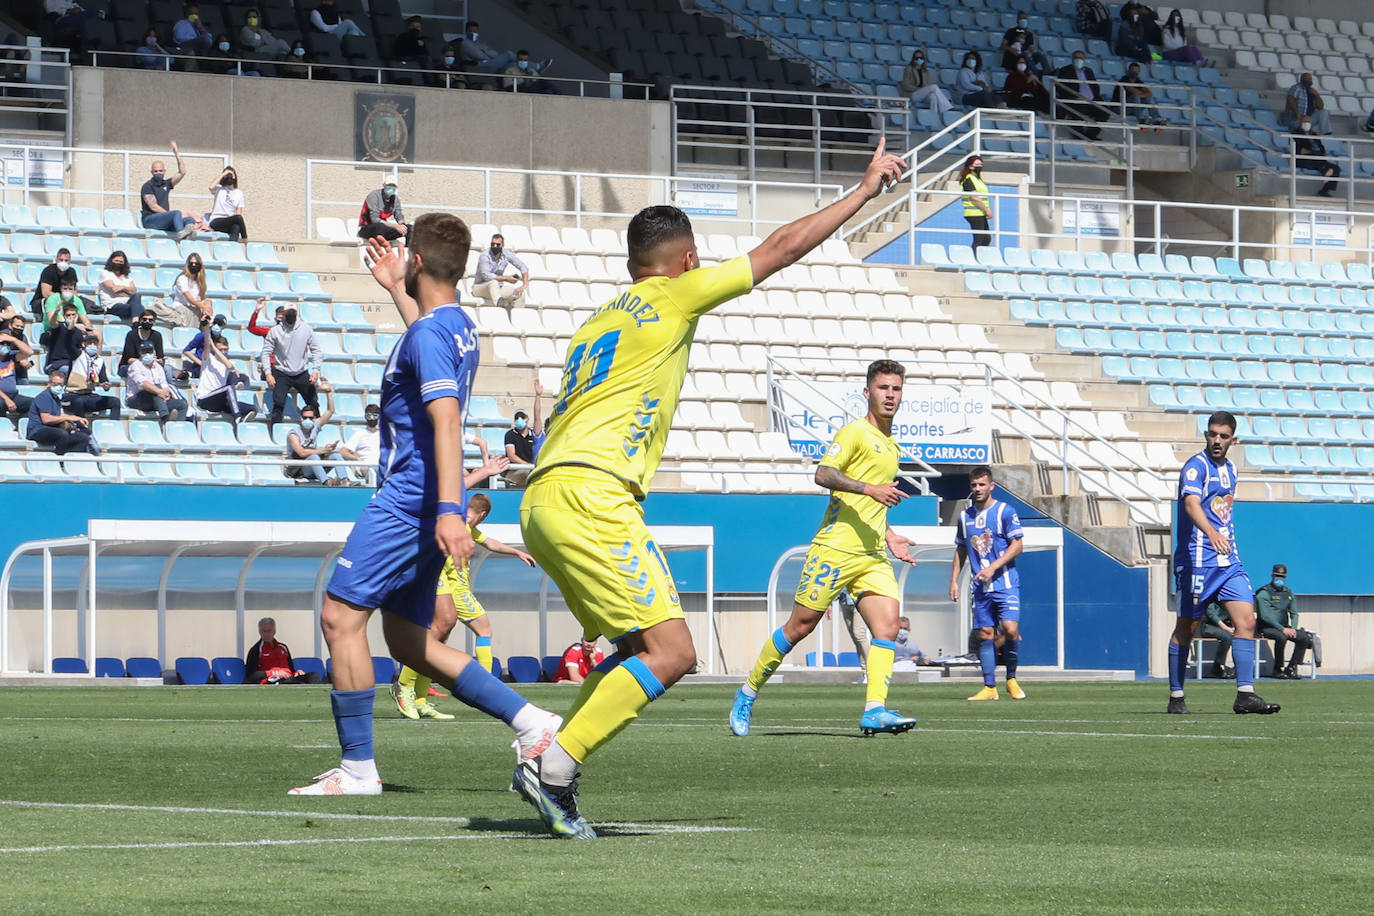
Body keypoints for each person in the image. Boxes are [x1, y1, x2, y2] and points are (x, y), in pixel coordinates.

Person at [514, 140, 905, 837]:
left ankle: (552, 757)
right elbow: (781, 246)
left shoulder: (596, 322)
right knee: (676, 653)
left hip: (543, 496)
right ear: (685, 261)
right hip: (593, 494)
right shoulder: (674, 293)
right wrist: (865, 189)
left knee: (640, 650)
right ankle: (556, 765)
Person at [288, 214, 562, 797]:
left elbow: (445, 420)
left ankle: (359, 769)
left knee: (340, 618)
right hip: (424, 497)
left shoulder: (432, 333)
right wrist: (394, 291)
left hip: (410, 498)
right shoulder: (453, 324)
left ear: (416, 260)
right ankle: (532, 721)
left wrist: (445, 509)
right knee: (411, 643)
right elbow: (424, 359)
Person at [731, 358, 920, 736]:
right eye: (883, 388)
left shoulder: (890, 444)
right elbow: (823, 473)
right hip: (833, 550)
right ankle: (747, 692)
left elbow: (871, 506)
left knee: (886, 626)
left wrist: (889, 534)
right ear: (868, 392)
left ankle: (874, 709)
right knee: (799, 627)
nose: (890, 395)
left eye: (896, 389)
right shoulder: (854, 433)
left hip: (870, 555)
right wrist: (869, 488)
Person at [1167, 410, 1279, 716]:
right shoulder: (1195, 467)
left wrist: (1224, 537)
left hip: (1228, 561)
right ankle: (1176, 694)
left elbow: (1222, 509)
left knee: (1248, 622)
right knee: (1186, 629)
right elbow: (1191, 504)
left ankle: (1245, 695)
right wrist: (1212, 531)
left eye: (1223, 436)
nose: (1217, 440)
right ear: (1206, 435)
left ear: (1233, 439)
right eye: (1212, 434)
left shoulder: (1231, 468)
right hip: (1197, 561)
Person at [393, 491, 537, 717]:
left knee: (437, 640)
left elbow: (489, 542)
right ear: (483, 514)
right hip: (446, 586)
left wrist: (515, 552)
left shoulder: (463, 524)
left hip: (451, 587)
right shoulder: (457, 522)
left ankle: (419, 697)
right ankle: (407, 685)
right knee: (469, 632)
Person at [950, 466, 1026, 701]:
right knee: (985, 634)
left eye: (982, 485)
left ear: (991, 486)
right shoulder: (965, 517)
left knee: (1011, 629)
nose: (978, 489)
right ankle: (990, 687)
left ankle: (1011, 679)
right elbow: (961, 549)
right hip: (980, 588)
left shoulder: (1005, 511)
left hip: (1005, 583)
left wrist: (993, 567)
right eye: (974, 485)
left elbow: (1018, 545)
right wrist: (953, 580)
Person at [261, 303, 322, 429]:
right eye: (287, 314)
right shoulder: (275, 331)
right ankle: (276, 430)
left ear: (296, 314)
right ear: (283, 315)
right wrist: (268, 373)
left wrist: (316, 371)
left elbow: (316, 350)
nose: (290, 317)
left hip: (301, 372)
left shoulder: (306, 329)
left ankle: (318, 428)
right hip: (282, 372)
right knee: (278, 403)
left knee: (313, 402)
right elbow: (266, 353)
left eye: (292, 314)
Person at [1254, 563, 1314, 680]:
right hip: (1267, 627)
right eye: (1277, 576)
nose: (1279, 579)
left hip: (1285, 627)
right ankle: (1278, 669)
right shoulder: (1264, 593)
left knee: (1304, 637)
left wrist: (1293, 628)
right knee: (1281, 637)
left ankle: (1291, 668)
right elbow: (1265, 616)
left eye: (1282, 576)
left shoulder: (1288, 593)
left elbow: (1294, 613)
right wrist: (1283, 629)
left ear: (1285, 577)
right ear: (1272, 575)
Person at [140, 143, 207, 240]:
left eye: (160, 171)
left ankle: (187, 233)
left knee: (190, 219)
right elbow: (153, 206)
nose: (158, 173)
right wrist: (169, 215)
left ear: (164, 171)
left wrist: (177, 154)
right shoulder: (147, 186)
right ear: (151, 172)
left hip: (164, 219)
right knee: (176, 213)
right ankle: (181, 234)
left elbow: (182, 172)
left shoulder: (166, 184)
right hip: (150, 220)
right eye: (156, 171)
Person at [284, 387, 347, 485]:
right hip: (299, 469)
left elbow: (330, 411)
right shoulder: (293, 434)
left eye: (310, 418)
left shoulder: (316, 426)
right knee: (313, 456)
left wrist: (329, 393)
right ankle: (327, 482)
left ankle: (345, 481)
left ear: (314, 418)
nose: (307, 420)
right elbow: (301, 453)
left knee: (336, 455)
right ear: (300, 418)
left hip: (315, 465)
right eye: (305, 418)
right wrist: (323, 450)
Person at [195, 324, 256, 422]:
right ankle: (237, 417)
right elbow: (207, 344)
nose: (223, 352)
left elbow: (230, 366)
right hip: (205, 399)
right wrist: (207, 330)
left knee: (253, 408)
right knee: (229, 388)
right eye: (220, 350)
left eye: (225, 350)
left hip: (219, 402)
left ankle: (241, 421)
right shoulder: (208, 359)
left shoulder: (226, 363)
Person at [27, 368, 96, 455]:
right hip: (38, 430)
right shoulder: (44, 397)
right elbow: (46, 419)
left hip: (52, 430)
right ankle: (60, 461)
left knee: (83, 437)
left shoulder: (56, 398)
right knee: (62, 434)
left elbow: (58, 415)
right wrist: (68, 417)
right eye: (55, 384)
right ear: (49, 384)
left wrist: (76, 419)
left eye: (61, 384)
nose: (58, 387)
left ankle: (73, 462)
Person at [125, 340, 188, 423]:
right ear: (140, 353)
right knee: (153, 389)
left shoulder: (158, 367)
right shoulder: (135, 366)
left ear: (154, 352)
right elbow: (144, 384)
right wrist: (159, 392)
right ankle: (165, 417)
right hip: (136, 399)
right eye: (144, 351)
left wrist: (164, 394)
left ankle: (179, 428)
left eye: (150, 351)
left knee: (182, 404)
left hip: (157, 400)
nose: (147, 354)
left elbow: (165, 385)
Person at [244, 617, 321, 684]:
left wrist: (296, 672)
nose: (267, 634)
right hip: (272, 680)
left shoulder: (283, 647)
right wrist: (272, 673)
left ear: (274, 631)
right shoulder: (256, 650)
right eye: (264, 631)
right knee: (288, 682)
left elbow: (290, 668)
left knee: (313, 676)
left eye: (269, 630)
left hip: (289, 678)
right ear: (260, 632)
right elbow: (251, 675)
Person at [1055, 52, 1110, 140]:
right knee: (1078, 109)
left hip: (1091, 101)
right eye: (1076, 57)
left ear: (1084, 60)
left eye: (1081, 58)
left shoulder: (1089, 71)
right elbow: (1061, 87)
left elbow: (1095, 86)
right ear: (1072, 59)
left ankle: (1091, 134)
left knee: (1105, 111)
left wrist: (1096, 98)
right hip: (1075, 100)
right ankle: (1079, 135)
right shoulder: (1065, 70)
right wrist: (1073, 95)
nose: (1078, 59)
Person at [65, 333, 121, 420]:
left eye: (95, 343)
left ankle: (114, 425)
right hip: (72, 395)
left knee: (115, 401)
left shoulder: (100, 361)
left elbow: (104, 381)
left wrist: (106, 386)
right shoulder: (77, 354)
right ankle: (81, 427)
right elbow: (68, 343)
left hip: (88, 395)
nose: (92, 345)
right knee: (78, 402)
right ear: (83, 344)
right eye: (89, 343)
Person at [472, 233, 530, 309]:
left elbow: (523, 267)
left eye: (498, 244)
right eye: (493, 244)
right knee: (493, 282)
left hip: (498, 288)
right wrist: (506, 278)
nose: (495, 246)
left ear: (502, 245)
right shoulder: (484, 256)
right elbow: (487, 276)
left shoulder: (506, 254)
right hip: (479, 288)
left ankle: (517, 318)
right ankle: (499, 306)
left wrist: (524, 285)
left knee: (520, 294)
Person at [0, 317, 34, 428]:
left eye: (6, 344)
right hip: (2, 397)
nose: (4, 346)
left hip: (13, 395)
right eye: (2, 344)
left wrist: (13, 340)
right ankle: (4, 429)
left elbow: (29, 352)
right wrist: (7, 399)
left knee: (34, 403)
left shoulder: (11, 356)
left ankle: (23, 427)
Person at [898, 48, 952, 118]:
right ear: (913, 58)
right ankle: (947, 106)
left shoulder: (926, 71)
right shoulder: (909, 68)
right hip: (913, 94)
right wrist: (918, 89)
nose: (919, 59)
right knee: (934, 87)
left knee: (933, 96)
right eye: (917, 58)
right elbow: (905, 85)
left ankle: (933, 117)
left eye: (921, 58)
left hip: (923, 94)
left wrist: (924, 90)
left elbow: (928, 84)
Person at [1292, 123, 1340, 198]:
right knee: (1320, 163)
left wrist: (1322, 153)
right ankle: (1325, 173)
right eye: (1305, 121)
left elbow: (1321, 147)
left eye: (1308, 121)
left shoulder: (1313, 134)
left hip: (1318, 158)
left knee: (1336, 168)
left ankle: (1324, 191)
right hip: (1303, 159)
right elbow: (1299, 150)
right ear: (1301, 122)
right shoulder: (1296, 134)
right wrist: (1312, 152)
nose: (1307, 123)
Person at [457, 20, 522, 75]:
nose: (473, 33)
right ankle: (525, 63)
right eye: (471, 31)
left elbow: (495, 53)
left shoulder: (479, 43)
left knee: (512, 64)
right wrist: (489, 54)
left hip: (489, 63)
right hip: (479, 67)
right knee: (509, 54)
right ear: (466, 32)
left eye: (475, 31)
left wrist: (486, 52)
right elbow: (480, 56)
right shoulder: (465, 43)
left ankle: (527, 71)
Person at [40, 301, 88, 375]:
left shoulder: (78, 332)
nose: (71, 317)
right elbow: (53, 323)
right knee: (67, 370)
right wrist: (56, 312)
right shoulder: (59, 327)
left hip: (72, 364)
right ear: (64, 316)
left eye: (73, 315)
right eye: (68, 315)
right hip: (55, 364)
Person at [97, 251, 144, 323]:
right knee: (138, 308)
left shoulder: (127, 277)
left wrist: (123, 287)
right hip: (112, 306)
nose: (118, 263)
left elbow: (134, 291)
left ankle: (135, 321)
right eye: (116, 261)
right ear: (111, 261)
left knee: (137, 296)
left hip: (128, 303)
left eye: (121, 262)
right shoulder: (105, 273)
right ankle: (136, 321)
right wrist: (128, 291)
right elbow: (115, 291)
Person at [1116, 61, 1165, 130]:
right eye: (1133, 71)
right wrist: (1142, 94)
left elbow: (1149, 93)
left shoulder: (1138, 81)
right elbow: (1134, 92)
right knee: (1135, 97)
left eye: (1137, 71)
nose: (1135, 73)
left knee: (1149, 98)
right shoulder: (1124, 80)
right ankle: (1141, 120)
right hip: (1120, 108)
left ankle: (1156, 120)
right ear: (1129, 71)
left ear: (1139, 72)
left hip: (1133, 109)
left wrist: (1141, 95)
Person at [339, 402, 380, 482]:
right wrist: (357, 459)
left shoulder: (384, 434)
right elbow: (343, 452)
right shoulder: (360, 434)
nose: (371, 418)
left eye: (375, 415)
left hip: (382, 466)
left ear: (379, 417)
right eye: (369, 416)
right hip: (368, 467)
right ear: (365, 417)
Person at [959, 154, 992, 252]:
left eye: (980, 165)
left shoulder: (977, 179)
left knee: (986, 239)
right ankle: (974, 259)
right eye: (976, 165)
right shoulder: (968, 179)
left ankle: (980, 258)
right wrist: (986, 209)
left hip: (980, 213)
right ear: (970, 166)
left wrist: (985, 209)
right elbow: (975, 197)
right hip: (974, 213)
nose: (979, 167)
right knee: (979, 239)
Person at [207, 166, 248, 241]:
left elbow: (239, 213)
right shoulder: (219, 189)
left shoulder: (239, 193)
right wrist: (223, 174)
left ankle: (231, 247)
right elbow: (211, 187)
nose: (229, 177)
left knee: (236, 226)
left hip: (230, 221)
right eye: (227, 175)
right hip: (216, 221)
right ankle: (245, 239)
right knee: (238, 218)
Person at [30, 248, 74, 319]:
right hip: (42, 301)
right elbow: (46, 293)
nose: (63, 262)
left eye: (66, 260)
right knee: (51, 302)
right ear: (56, 260)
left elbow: (74, 292)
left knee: (78, 303)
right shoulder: (48, 271)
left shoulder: (71, 272)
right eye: (61, 260)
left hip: (63, 301)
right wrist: (63, 299)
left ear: (70, 261)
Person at [119, 313, 164, 379]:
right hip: (129, 366)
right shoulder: (131, 335)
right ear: (140, 321)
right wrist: (147, 361)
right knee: (141, 370)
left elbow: (160, 358)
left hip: (151, 365)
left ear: (154, 322)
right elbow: (129, 360)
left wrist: (158, 361)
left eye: (150, 320)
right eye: (144, 319)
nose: (147, 322)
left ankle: (167, 388)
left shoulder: (157, 335)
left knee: (167, 369)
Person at [1199, 600, 1236, 679]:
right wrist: (1227, 628)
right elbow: (1212, 615)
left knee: (1241, 636)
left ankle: (1238, 667)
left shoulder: (1230, 597)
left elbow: (1234, 613)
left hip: (1227, 625)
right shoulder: (1211, 597)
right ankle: (1217, 666)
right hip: (1209, 626)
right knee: (1227, 637)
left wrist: (1234, 627)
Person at [503, 408, 536, 486]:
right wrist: (527, 465)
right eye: (517, 418)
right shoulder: (510, 434)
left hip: (532, 469)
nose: (519, 419)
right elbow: (511, 456)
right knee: (526, 474)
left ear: (527, 419)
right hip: (515, 470)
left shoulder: (534, 434)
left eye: (522, 417)